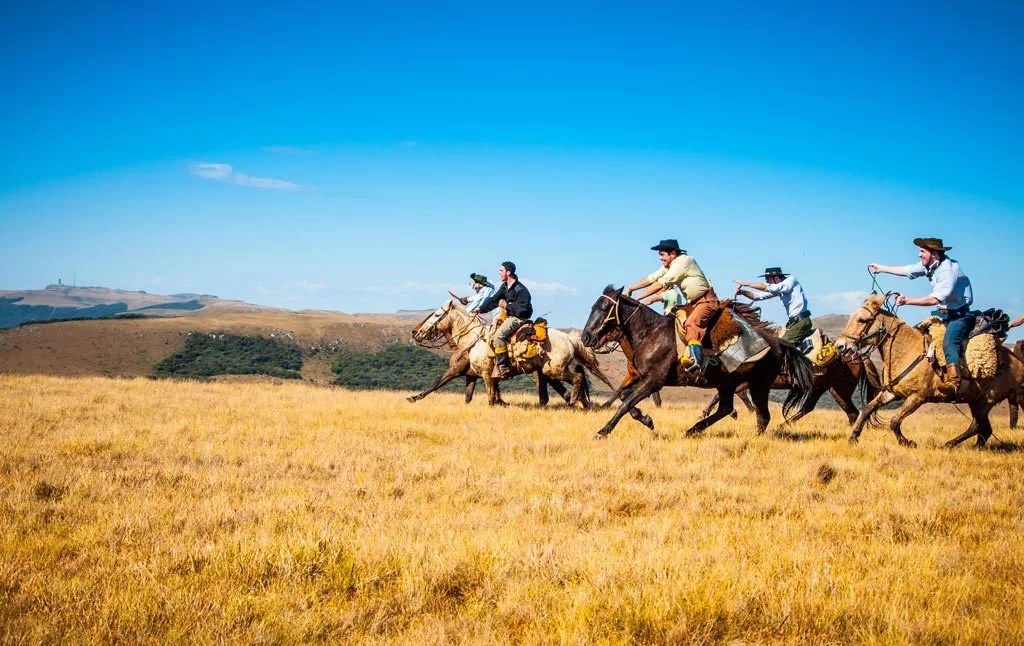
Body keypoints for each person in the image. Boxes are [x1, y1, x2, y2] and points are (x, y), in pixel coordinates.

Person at [869, 237, 974, 391]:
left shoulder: (948, 270)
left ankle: (954, 382)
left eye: (922, 251)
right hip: (942, 313)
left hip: (959, 315)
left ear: (935, 254)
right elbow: (908, 270)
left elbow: (935, 299)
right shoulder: (930, 265)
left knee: (949, 343)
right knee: (916, 337)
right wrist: (882, 268)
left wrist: (907, 301)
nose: (919, 255)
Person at [627, 239, 717, 370]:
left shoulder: (683, 262)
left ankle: (696, 360)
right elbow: (653, 277)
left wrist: (637, 298)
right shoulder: (671, 265)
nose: (660, 258)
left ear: (672, 253)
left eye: (662, 254)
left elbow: (661, 283)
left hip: (706, 301)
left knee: (691, 323)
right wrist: (631, 288)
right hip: (692, 303)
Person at [472, 261, 533, 377]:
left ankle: (503, 367)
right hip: (510, 315)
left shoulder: (521, 289)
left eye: (501, 271)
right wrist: (481, 309)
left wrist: (507, 306)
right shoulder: (505, 286)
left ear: (508, 272)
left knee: (498, 337)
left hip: (519, 318)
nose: (499, 273)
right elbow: (495, 300)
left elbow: (524, 308)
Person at [734, 267, 813, 344]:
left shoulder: (791, 280)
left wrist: (748, 284)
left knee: (783, 345)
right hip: (793, 323)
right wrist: (743, 292)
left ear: (776, 277)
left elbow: (773, 288)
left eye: (768, 278)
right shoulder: (779, 289)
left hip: (801, 321)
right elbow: (757, 296)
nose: (767, 281)